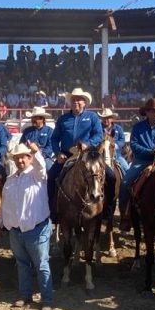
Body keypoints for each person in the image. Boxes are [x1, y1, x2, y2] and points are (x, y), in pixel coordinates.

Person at [0, 142, 52, 310]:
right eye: (17, 158)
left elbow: (40, 165)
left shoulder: (37, 174)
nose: (20, 160)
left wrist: (36, 151)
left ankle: (46, 299)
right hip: (16, 230)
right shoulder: (10, 181)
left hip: (36, 228)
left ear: (29, 158)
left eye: (23, 157)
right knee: (22, 264)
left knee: (41, 265)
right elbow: (5, 204)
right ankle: (26, 295)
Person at [119, 98, 155, 231]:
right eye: (154, 111)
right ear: (147, 112)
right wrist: (150, 151)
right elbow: (134, 146)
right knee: (124, 183)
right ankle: (125, 215)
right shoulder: (138, 128)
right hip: (142, 160)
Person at [48, 88, 103, 221]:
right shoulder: (62, 119)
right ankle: (53, 211)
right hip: (67, 154)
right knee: (51, 177)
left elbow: (99, 135)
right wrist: (58, 153)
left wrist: (88, 144)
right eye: (74, 99)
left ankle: (106, 211)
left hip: (89, 155)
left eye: (79, 99)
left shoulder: (92, 117)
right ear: (70, 102)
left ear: (84, 102)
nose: (76, 102)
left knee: (111, 176)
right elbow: (54, 138)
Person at [98, 108, 129, 173]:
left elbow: (122, 140)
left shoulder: (118, 128)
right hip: (101, 156)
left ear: (112, 119)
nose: (106, 120)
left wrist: (115, 145)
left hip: (116, 155)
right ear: (101, 119)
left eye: (108, 118)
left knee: (127, 169)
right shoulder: (98, 128)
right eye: (104, 118)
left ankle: (127, 182)